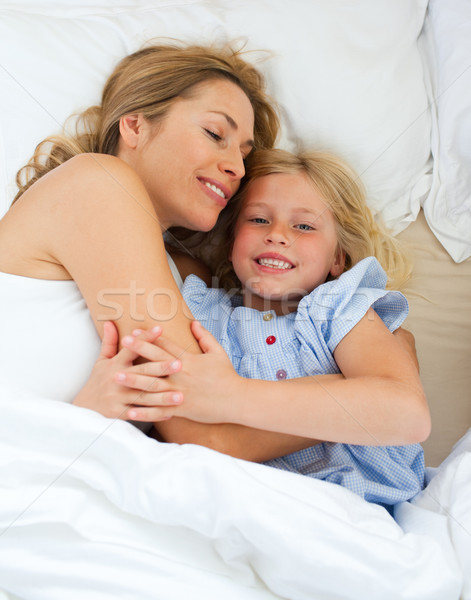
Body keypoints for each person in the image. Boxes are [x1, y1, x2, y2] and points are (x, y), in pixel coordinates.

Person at [0, 41, 423, 466]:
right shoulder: (96, 183)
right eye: (215, 134)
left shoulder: (188, 279)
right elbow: (207, 435)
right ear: (135, 125)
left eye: (243, 153)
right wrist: (365, 391)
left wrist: (380, 385)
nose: (237, 168)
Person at [113, 148, 430, 507]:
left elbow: (406, 412)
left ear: (338, 258)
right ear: (232, 241)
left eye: (305, 226)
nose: (278, 235)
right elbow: (135, 237)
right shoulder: (202, 312)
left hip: (352, 506)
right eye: (259, 220)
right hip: (240, 503)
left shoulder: (337, 308)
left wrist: (231, 395)